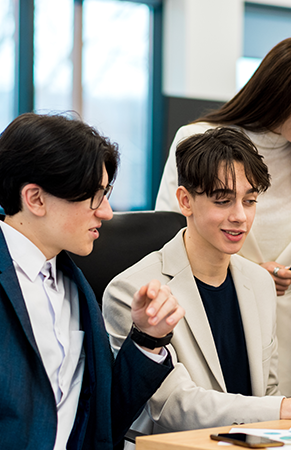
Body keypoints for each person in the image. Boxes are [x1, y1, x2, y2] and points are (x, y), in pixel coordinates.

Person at [103, 127, 291, 434]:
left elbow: (268, 392)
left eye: (249, 201)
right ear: (185, 201)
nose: (240, 216)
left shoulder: (259, 282)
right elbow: (173, 407)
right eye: (223, 201)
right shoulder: (132, 291)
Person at [155, 35, 291, 396]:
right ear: (276, 90)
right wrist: (249, 275)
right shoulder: (197, 139)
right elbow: (167, 238)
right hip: (222, 323)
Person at [0, 113, 184, 450]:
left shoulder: (76, 285)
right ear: (35, 199)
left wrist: (147, 338)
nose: (107, 212)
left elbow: (102, 421)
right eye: (94, 197)